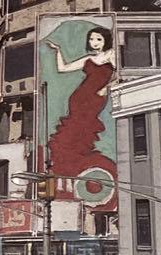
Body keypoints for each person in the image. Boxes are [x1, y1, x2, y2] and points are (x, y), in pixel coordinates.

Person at [45, 27, 116, 194]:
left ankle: (72, 178)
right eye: (91, 39)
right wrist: (58, 50)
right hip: (78, 99)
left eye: (98, 39)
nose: (94, 43)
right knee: (67, 139)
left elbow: (119, 74)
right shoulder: (89, 58)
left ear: (106, 40)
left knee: (81, 139)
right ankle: (62, 178)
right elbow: (63, 68)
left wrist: (105, 89)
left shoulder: (112, 54)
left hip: (95, 99)